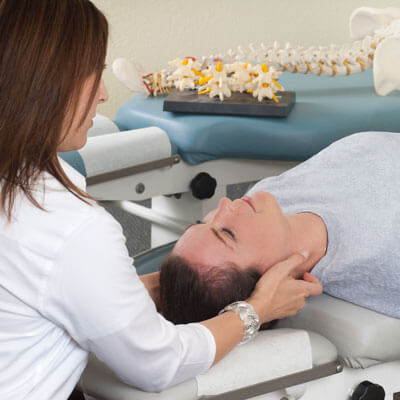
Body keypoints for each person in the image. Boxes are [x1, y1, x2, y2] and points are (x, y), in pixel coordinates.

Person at [0, 1, 323, 399]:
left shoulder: (36, 198)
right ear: (45, 83)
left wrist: (148, 286)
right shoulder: (71, 227)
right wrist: (256, 310)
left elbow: (39, 288)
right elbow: (157, 364)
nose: (103, 95)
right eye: (92, 75)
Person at [160, 131, 400, 324]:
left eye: (204, 221)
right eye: (227, 232)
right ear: (272, 277)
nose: (224, 205)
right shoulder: (385, 255)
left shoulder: (265, 202)